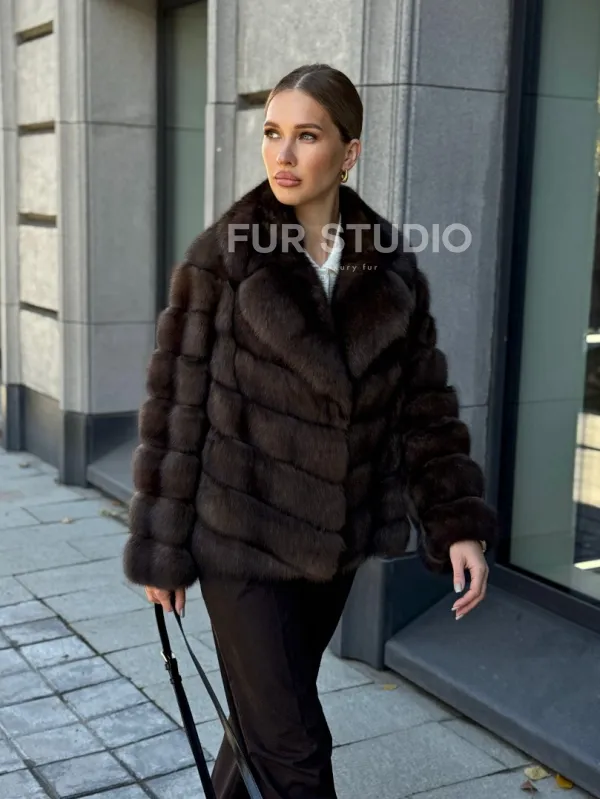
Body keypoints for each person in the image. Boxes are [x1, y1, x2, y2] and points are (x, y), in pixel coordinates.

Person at [123, 63, 497, 799]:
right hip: (239, 539)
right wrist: (162, 546)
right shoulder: (221, 259)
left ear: (349, 152)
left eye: (307, 136)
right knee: (294, 746)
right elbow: (174, 408)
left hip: (332, 546)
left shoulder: (388, 266)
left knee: (262, 724)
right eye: (272, 133)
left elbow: (423, 406)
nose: (284, 155)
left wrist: (456, 523)